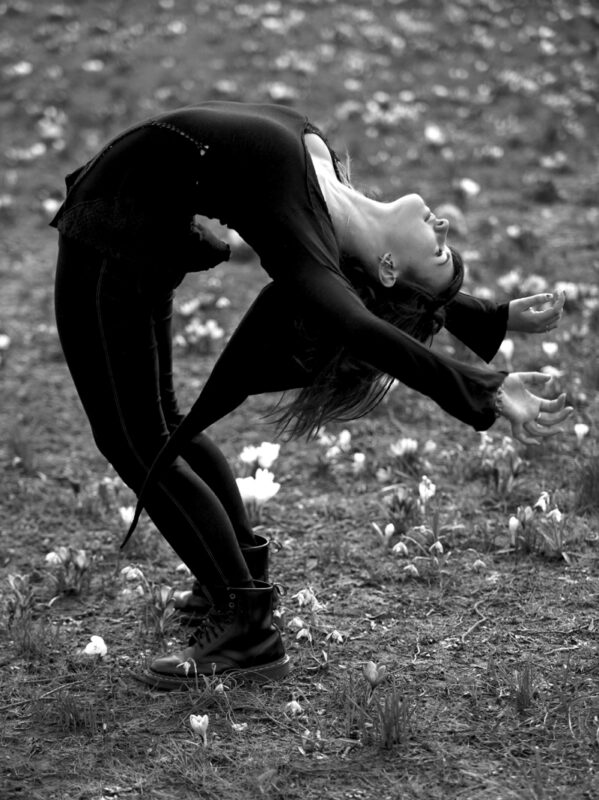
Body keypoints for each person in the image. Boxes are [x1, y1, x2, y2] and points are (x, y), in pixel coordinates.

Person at [51, 101, 569, 689]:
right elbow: (398, 295)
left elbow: (365, 322)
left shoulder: (309, 254)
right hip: (140, 230)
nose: (444, 225)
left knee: (135, 439)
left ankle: (245, 626)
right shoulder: (334, 194)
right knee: (158, 427)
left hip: (109, 246)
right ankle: (234, 574)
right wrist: (488, 317)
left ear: (389, 265)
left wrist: (487, 388)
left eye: (439, 249)